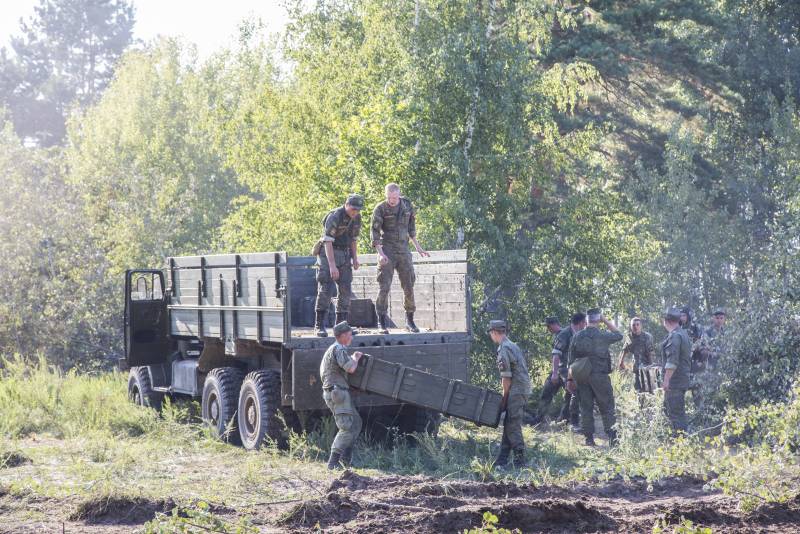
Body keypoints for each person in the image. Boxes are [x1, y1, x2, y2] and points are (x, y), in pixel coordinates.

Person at [371, 183, 429, 333]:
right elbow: (375, 233)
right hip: (387, 250)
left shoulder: (407, 206)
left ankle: (410, 321)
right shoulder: (380, 209)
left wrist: (418, 247)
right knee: (384, 286)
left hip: (403, 250)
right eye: (389, 197)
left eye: (394, 197)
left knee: (409, 285)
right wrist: (381, 253)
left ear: (399, 195)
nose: (392, 200)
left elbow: (411, 229)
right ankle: (382, 322)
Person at [566, 308, 623, 446]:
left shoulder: (577, 336)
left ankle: (589, 439)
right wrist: (605, 320)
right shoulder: (603, 335)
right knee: (607, 407)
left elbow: (570, 361)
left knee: (586, 408)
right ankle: (613, 439)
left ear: (586, 320)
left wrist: (569, 380)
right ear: (598, 320)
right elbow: (619, 334)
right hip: (600, 377)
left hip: (582, 377)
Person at [313, 194, 364, 337]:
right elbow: (328, 241)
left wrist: (355, 258)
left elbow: (353, 239)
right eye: (353, 209)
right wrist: (332, 266)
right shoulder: (335, 216)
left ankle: (341, 327)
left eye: (358, 210)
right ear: (346, 205)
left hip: (345, 254)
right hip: (328, 254)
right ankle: (319, 326)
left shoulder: (356, 218)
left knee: (345, 290)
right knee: (326, 289)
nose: (355, 212)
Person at [320, 321, 364, 469]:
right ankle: (332, 463)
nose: (352, 337)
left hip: (338, 391)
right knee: (346, 427)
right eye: (350, 334)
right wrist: (356, 358)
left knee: (356, 423)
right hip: (337, 393)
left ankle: (346, 459)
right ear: (343, 335)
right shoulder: (338, 349)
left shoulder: (334, 349)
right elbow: (350, 368)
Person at [489, 320, 532, 468]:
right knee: (509, 423)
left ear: (494, 332)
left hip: (516, 390)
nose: (491, 336)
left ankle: (520, 460)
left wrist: (504, 398)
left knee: (512, 424)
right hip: (522, 388)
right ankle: (502, 459)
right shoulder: (513, 345)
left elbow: (506, 378)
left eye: (491, 333)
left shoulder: (503, 349)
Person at [533, 314, 585, 428]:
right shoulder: (564, 334)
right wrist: (555, 374)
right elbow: (556, 355)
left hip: (569, 370)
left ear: (552, 325)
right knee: (547, 393)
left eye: (548, 326)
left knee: (571, 394)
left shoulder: (573, 333)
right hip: (561, 370)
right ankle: (538, 420)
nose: (548, 329)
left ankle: (565, 421)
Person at [661, 308, 692, 434]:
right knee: (672, 410)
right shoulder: (683, 333)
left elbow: (672, 362)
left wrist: (666, 380)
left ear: (666, 321)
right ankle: (678, 438)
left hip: (675, 381)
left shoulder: (675, 336)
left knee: (676, 414)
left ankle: (681, 442)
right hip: (682, 379)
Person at [617, 317, 655, 392]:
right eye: (633, 325)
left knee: (649, 388)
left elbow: (651, 352)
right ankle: (639, 401)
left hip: (647, 366)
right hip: (636, 367)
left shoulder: (647, 337)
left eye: (637, 325)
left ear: (641, 326)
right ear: (631, 327)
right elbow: (624, 350)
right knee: (638, 388)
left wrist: (651, 366)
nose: (635, 327)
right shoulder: (630, 337)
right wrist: (621, 362)